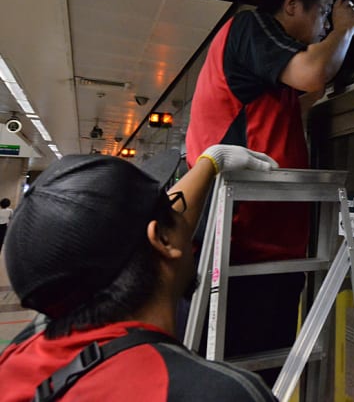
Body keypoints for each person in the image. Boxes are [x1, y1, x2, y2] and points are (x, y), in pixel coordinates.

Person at [0, 144, 281, 401]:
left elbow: (163, 225)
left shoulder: (19, 356)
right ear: (162, 238)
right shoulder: (218, 393)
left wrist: (209, 163)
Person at [184, 0, 354, 360]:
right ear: (292, 4)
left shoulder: (271, 80)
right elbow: (314, 72)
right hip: (237, 248)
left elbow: (307, 91)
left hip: (269, 250)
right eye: (324, 10)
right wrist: (346, 28)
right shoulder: (251, 26)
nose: (326, 22)